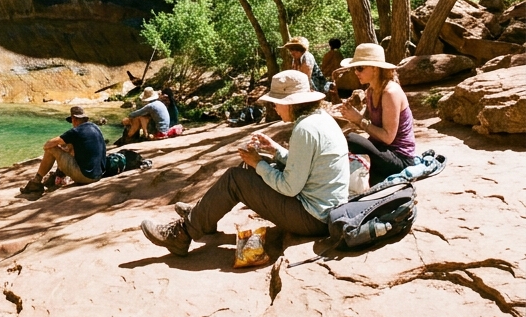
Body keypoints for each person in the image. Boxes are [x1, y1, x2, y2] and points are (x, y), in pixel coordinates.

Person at [141, 70, 349, 256]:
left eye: (276, 102)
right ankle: (202, 217)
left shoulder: (304, 129)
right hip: (323, 210)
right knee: (248, 167)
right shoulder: (320, 118)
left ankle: (181, 235)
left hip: (312, 218)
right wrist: (275, 151)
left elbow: (289, 186)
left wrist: (259, 163)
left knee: (236, 179)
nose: (274, 107)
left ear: (290, 102)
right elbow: (305, 166)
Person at [335, 43, 417, 184]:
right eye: (355, 68)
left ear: (375, 68)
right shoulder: (371, 91)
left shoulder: (390, 92)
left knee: (351, 139)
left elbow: (387, 137)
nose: (356, 72)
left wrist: (359, 119)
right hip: (383, 151)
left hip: (400, 157)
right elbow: (371, 126)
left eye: (360, 68)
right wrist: (351, 117)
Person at [22, 106, 105, 193]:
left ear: (74, 119)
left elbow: (48, 144)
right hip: (99, 174)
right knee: (69, 144)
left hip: (86, 177)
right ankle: (58, 174)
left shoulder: (76, 132)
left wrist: (58, 151)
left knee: (52, 148)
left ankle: (36, 182)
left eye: (72, 121)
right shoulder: (95, 128)